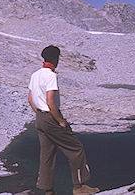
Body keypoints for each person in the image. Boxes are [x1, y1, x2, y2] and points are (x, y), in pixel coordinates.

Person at [28, 45, 100, 195]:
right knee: (76, 149)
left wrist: (40, 115)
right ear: (56, 58)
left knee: (47, 154)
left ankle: (48, 191)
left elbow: (30, 99)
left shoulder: (35, 75)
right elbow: (50, 101)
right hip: (50, 117)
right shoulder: (51, 76)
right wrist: (60, 121)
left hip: (40, 118)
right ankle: (79, 187)